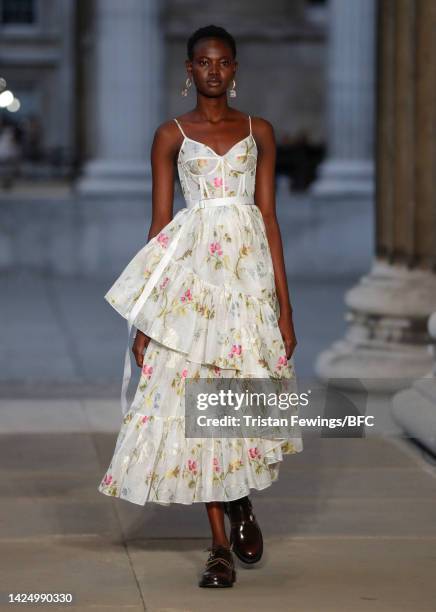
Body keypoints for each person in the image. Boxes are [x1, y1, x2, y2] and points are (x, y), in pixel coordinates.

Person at [98, 24, 303, 588]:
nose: (214, 70)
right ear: (189, 70)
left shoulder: (259, 131)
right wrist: (145, 313)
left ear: (235, 70)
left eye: (224, 62)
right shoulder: (170, 135)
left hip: (246, 286)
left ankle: (240, 502)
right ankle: (217, 547)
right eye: (204, 62)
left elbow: (267, 217)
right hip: (192, 287)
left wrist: (284, 307)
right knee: (194, 410)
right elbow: (160, 224)